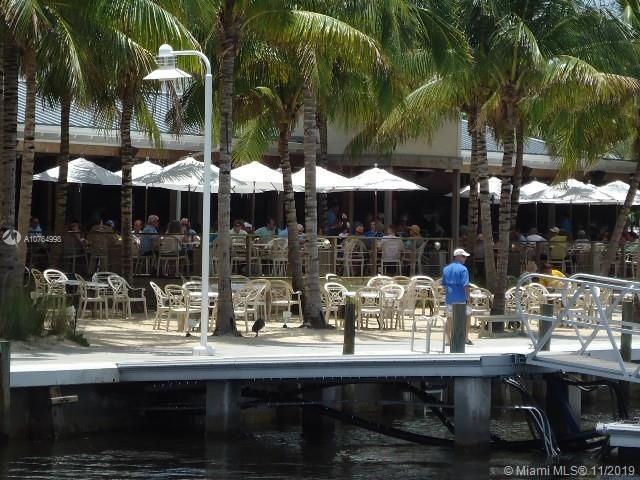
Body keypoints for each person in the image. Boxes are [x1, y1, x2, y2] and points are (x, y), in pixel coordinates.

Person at [442, 248, 473, 346]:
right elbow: (465, 285)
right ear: (458, 257)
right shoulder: (463, 269)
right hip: (461, 298)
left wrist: (447, 296)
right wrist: (468, 299)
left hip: (450, 298)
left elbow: (445, 285)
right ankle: (465, 338)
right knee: (467, 317)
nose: (465, 259)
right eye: (463, 256)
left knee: (449, 318)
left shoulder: (446, 269)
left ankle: (448, 340)